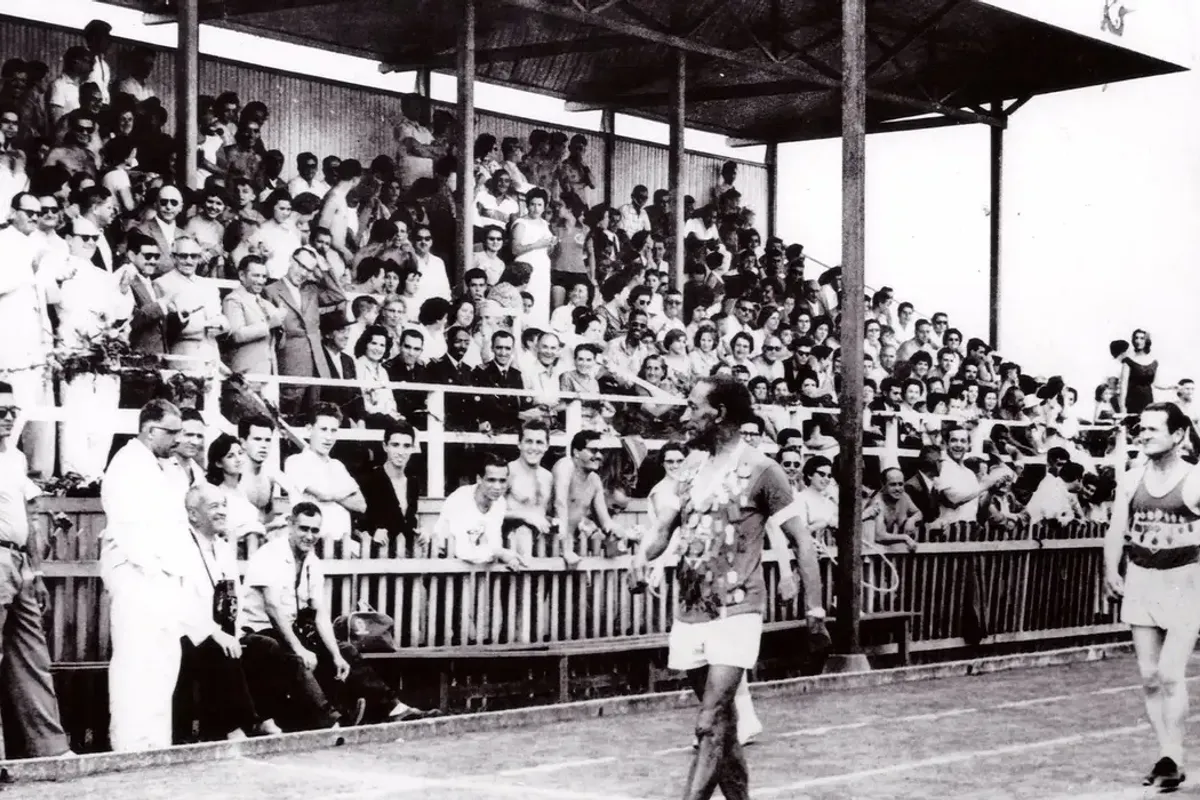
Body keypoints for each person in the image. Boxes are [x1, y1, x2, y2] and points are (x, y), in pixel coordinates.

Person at [632, 376, 802, 800]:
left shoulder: (762, 469)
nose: (685, 415)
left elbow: (797, 537)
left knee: (708, 723)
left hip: (738, 610)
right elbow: (661, 530)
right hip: (692, 611)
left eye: (693, 406)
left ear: (720, 413)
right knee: (721, 731)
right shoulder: (689, 469)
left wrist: (811, 605)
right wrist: (640, 557)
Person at [239, 503, 436, 727]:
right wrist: (300, 648)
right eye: (304, 528)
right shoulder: (270, 554)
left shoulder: (311, 561)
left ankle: (394, 708)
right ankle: (331, 721)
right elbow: (272, 609)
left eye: (315, 530)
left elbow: (320, 612)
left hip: (289, 630)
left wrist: (336, 655)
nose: (309, 536)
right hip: (259, 633)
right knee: (296, 659)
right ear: (290, 526)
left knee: (345, 650)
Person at [1104, 402, 1200, 792]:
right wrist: (1111, 570)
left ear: (1178, 435)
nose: (1143, 434)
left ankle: (1174, 756)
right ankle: (1167, 756)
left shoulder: (1195, 480)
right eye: (1140, 428)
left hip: (1186, 581)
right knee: (1148, 677)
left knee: (1170, 673)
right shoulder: (1130, 479)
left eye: (1153, 429)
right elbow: (1116, 529)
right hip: (1142, 578)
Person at [100, 399, 192, 752]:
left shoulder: (164, 467)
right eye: (172, 432)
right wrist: (154, 570)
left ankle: (155, 745)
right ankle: (128, 746)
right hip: (138, 577)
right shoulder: (126, 466)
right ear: (151, 430)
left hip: (163, 580)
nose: (178, 439)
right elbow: (127, 528)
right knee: (136, 664)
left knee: (163, 666)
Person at [0, 381, 71, 759]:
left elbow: (29, 514)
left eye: (12, 412)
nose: (8, 419)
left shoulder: (14, 458)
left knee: (33, 657)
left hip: (19, 563)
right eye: (0, 412)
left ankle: (51, 749)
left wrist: (36, 571)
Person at [179, 484, 281, 740]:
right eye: (214, 506)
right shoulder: (181, 547)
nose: (222, 511)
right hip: (189, 634)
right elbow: (181, 603)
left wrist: (235, 632)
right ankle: (235, 727)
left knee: (264, 646)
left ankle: (264, 718)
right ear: (193, 514)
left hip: (223, 632)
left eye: (224, 505)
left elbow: (234, 598)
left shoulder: (224, 549)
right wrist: (216, 633)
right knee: (220, 650)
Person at [552, 431, 618, 569]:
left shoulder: (594, 479)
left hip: (575, 546)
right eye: (593, 451)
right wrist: (566, 548)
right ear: (576, 452)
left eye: (601, 452)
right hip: (551, 543)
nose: (599, 456)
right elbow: (560, 504)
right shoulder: (566, 466)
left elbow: (604, 521)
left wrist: (619, 533)